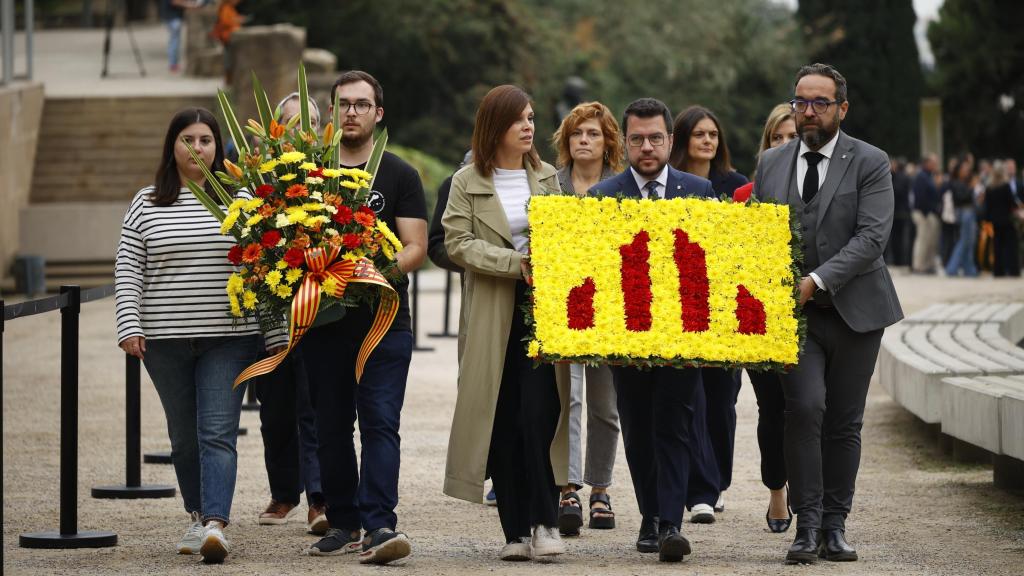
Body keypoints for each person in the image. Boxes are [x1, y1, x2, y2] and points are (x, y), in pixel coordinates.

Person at [115, 107, 284, 563]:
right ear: (172, 147)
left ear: (218, 146)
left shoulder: (241, 198)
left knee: (217, 431)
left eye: (206, 139)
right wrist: (128, 323)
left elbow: (263, 269)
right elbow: (129, 267)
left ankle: (215, 524)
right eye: (187, 139)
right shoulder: (146, 201)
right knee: (183, 436)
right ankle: (195, 515)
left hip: (228, 337)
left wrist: (275, 331)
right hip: (164, 339)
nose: (197, 147)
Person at [754, 63, 903, 564]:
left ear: (842, 107)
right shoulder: (772, 164)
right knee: (803, 408)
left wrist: (816, 280)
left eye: (820, 102)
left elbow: (872, 238)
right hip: (794, 319)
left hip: (857, 311)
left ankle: (835, 526)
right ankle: (807, 524)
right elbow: (758, 235)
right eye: (801, 102)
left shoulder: (870, 161)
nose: (808, 112)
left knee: (843, 421)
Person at [301, 71, 428, 565]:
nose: (351, 112)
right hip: (324, 321)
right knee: (330, 425)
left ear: (378, 113)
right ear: (332, 112)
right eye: (343, 104)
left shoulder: (399, 174)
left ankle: (379, 523)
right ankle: (343, 521)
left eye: (361, 104)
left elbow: (416, 246)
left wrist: (371, 273)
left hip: (385, 320)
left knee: (380, 423)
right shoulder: (309, 174)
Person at [442, 84, 570, 562]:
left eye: (532, 117)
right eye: (519, 119)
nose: (529, 126)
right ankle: (515, 529)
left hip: (540, 317)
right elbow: (457, 243)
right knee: (498, 419)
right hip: (491, 314)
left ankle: (546, 522)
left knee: (539, 417)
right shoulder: (466, 181)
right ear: (495, 126)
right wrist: (514, 262)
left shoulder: (549, 176)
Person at [590, 98, 715, 563]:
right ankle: (650, 516)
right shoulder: (604, 195)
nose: (647, 147)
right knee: (639, 426)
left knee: (675, 425)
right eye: (637, 139)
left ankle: (670, 523)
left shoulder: (699, 190)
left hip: (683, 334)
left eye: (655, 138)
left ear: (669, 140)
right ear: (625, 142)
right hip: (625, 335)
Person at [252, 92, 327, 535]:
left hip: (320, 317)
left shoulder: (329, 183)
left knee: (316, 410)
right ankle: (284, 494)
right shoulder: (260, 185)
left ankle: (320, 498)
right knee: (275, 411)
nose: (303, 132)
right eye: (292, 124)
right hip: (273, 320)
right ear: (276, 130)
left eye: (311, 124)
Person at [668, 105, 748, 523]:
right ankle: (700, 485)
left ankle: (717, 480)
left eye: (713, 134)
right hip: (683, 306)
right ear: (683, 139)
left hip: (724, 308)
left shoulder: (736, 186)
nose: (707, 141)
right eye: (699, 134)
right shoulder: (672, 186)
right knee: (690, 397)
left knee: (722, 398)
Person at [550, 101, 623, 536]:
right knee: (564, 400)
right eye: (577, 133)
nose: (584, 140)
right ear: (566, 141)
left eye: (593, 134)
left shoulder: (620, 187)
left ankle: (600, 489)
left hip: (608, 307)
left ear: (608, 141)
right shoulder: (549, 185)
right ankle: (566, 487)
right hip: (560, 303)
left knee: (604, 403)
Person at [745, 103, 801, 535]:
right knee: (772, 408)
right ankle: (776, 491)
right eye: (776, 138)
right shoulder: (746, 197)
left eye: (792, 137)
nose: (784, 145)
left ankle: (807, 487)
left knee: (806, 406)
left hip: (807, 311)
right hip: (760, 318)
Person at [984, 160, 1022, 277]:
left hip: (994, 221)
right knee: (1011, 245)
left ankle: (998, 271)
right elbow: (1011, 203)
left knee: (997, 246)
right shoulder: (1005, 186)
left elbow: (987, 206)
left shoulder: (989, 187)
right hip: (1006, 220)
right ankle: (1013, 270)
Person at [944, 158, 979, 277]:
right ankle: (951, 268)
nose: (967, 172)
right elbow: (961, 198)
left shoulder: (964, 182)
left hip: (969, 212)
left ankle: (969, 269)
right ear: (958, 171)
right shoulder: (956, 182)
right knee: (964, 241)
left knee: (969, 242)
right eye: (965, 169)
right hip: (964, 213)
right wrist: (972, 188)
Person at [911, 153, 941, 274]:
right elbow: (920, 196)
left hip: (928, 213)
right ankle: (918, 265)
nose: (936, 165)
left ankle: (927, 264)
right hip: (922, 213)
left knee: (930, 241)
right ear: (927, 163)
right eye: (934, 163)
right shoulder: (922, 176)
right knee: (922, 240)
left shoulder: (928, 176)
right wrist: (926, 212)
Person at [159, 0, 201, 73]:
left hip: (171, 17)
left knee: (174, 40)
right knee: (174, 41)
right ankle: (173, 64)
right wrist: (190, 5)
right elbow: (175, 2)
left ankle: (173, 63)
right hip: (173, 17)